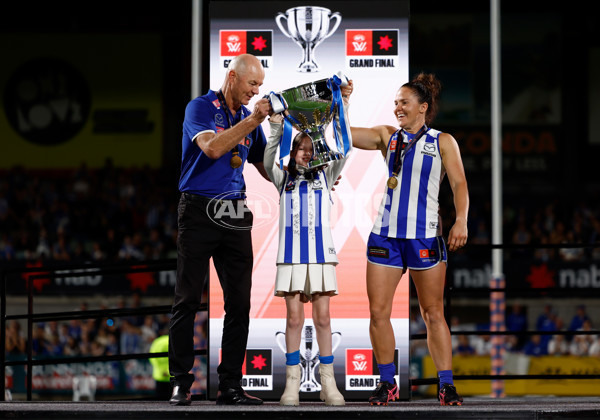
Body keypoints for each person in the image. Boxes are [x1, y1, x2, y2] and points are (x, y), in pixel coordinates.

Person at [349, 73, 469, 406]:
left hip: (424, 237)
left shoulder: (442, 141)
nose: (397, 108)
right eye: (395, 103)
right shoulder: (386, 136)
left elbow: (459, 185)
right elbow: (344, 135)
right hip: (385, 236)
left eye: (404, 102)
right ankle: (387, 382)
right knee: (378, 313)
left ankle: (446, 385)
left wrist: (461, 220)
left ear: (423, 107)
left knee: (433, 313)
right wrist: (343, 100)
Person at [168, 53, 270, 406]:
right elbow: (212, 148)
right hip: (197, 208)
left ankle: (230, 386)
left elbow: (263, 165)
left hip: (235, 211)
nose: (255, 92)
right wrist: (255, 119)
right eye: (251, 84)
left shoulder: (248, 118)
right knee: (187, 299)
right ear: (232, 77)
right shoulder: (199, 108)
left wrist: (301, 179)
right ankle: (181, 382)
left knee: (239, 302)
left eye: (260, 86)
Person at [263, 84, 352, 406]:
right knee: (293, 319)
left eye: (311, 147)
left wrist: (343, 105)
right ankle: (292, 384)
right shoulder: (282, 178)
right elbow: (269, 156)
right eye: (300, 147)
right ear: (293, 151)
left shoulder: (327, 176)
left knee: (324, 319)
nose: (306, 152)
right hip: (290, 257)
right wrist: (275, 127)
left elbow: (347, 146)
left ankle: (329, 385)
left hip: (320, 256)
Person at [149, 335, 171, 400]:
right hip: (173, 376)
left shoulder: (157, 341)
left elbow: (152, 357)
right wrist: (168, 371)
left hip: (159, 376)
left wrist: (162, 371)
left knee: (159, 400)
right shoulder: (174, 341)